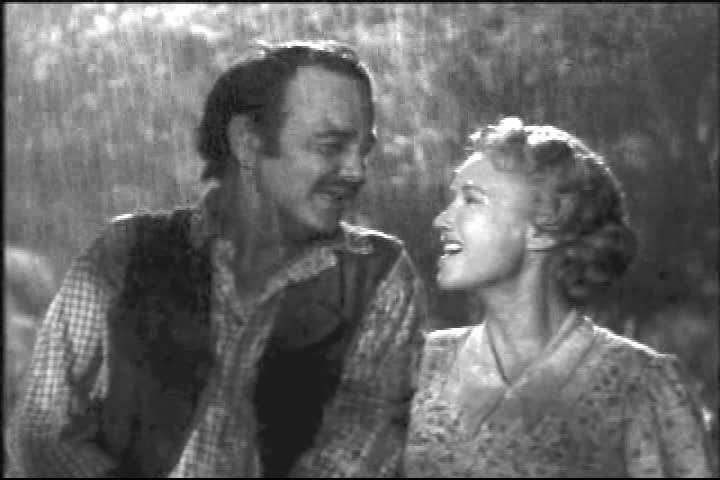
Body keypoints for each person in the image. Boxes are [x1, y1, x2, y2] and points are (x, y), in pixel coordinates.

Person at [6, 40, 427, 478]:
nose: (357, 171)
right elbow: (42, 429)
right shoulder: (125, 251)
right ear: (247, 142)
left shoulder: (379, 275)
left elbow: (358, 451)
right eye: (330, 145)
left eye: (364, 150)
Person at [403, 117, 717, 477]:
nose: (443, 220)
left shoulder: (639, 386)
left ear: (543, 229)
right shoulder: (418, 367)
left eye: (472, 200)